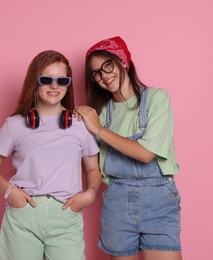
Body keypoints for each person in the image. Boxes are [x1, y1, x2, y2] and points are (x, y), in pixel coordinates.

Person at [0, 50, 102, 260]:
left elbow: (93, 169)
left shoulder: (80, 125)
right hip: (23, 215)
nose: (54, 86)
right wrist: (10, 191)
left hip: (66, 216)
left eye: (62, 80)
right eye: (47, 79)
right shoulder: (14, 125)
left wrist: (90, 193)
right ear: (34, 82)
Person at [75, 36, 182, 260]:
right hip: (117, 203)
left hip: (158, 201)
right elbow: (88, 160)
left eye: (107, 65)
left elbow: (145, 154)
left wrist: (99, 129)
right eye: (96, 73)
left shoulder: (156, 99)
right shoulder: (100, 113)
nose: (104, 75)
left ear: (123, 61)